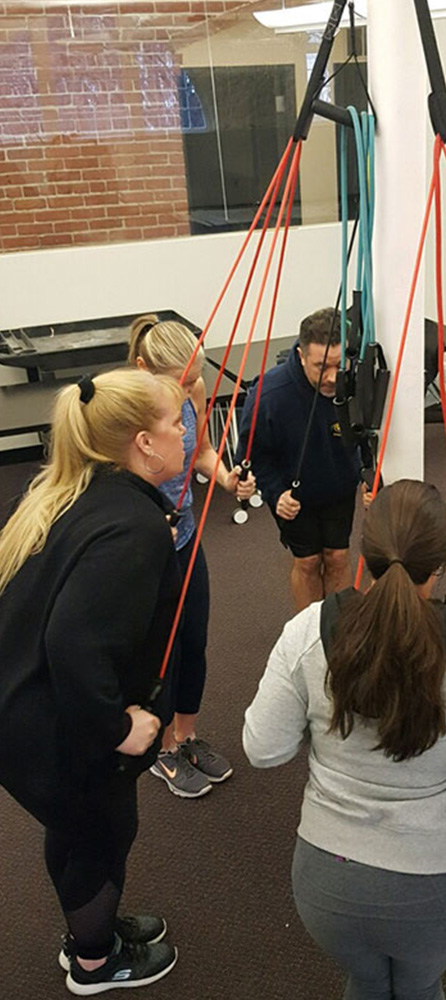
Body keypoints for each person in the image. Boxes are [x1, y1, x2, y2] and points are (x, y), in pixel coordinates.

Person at [243, 479, 446, 1000]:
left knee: (367, 983)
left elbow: (262, 748)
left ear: (364, 554)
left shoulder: (309, 630)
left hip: (325, 884)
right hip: (433, 890)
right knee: (420, 987)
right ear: (440, 564)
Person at [0, 369, 185, 994]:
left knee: (82, 825)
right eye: (175, 423)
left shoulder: (83, 492)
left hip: (28, 713)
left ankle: (92, 933)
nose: (184, 432)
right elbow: (72, 644)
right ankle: (94, 963)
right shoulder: (130, 527)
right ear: (144, 443)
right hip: (54, 723)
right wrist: (120, 728)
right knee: (103, 832)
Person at [129, 314, 255, 798]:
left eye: (192, 382)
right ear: (142, 368)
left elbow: (200, 449)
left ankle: (187, 737)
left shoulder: (193, 389)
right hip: (145, 550)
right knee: (162, 651)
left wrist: (225, 479)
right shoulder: (124, 412)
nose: (186, 393)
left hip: (186, 537)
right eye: (177, 384)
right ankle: (161, 750)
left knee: (194, 641)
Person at [235, 307, 363, 611]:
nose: (332, 377)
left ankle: (340, 633)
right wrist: (275, 493)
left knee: (337, 557)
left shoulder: (354, 381)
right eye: (321, 367)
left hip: (339, 483)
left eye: (338, 364)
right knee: (307, 561)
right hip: (292, 495)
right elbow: (252, 459)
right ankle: (307, 636)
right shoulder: (269, 395)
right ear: (301, 356)